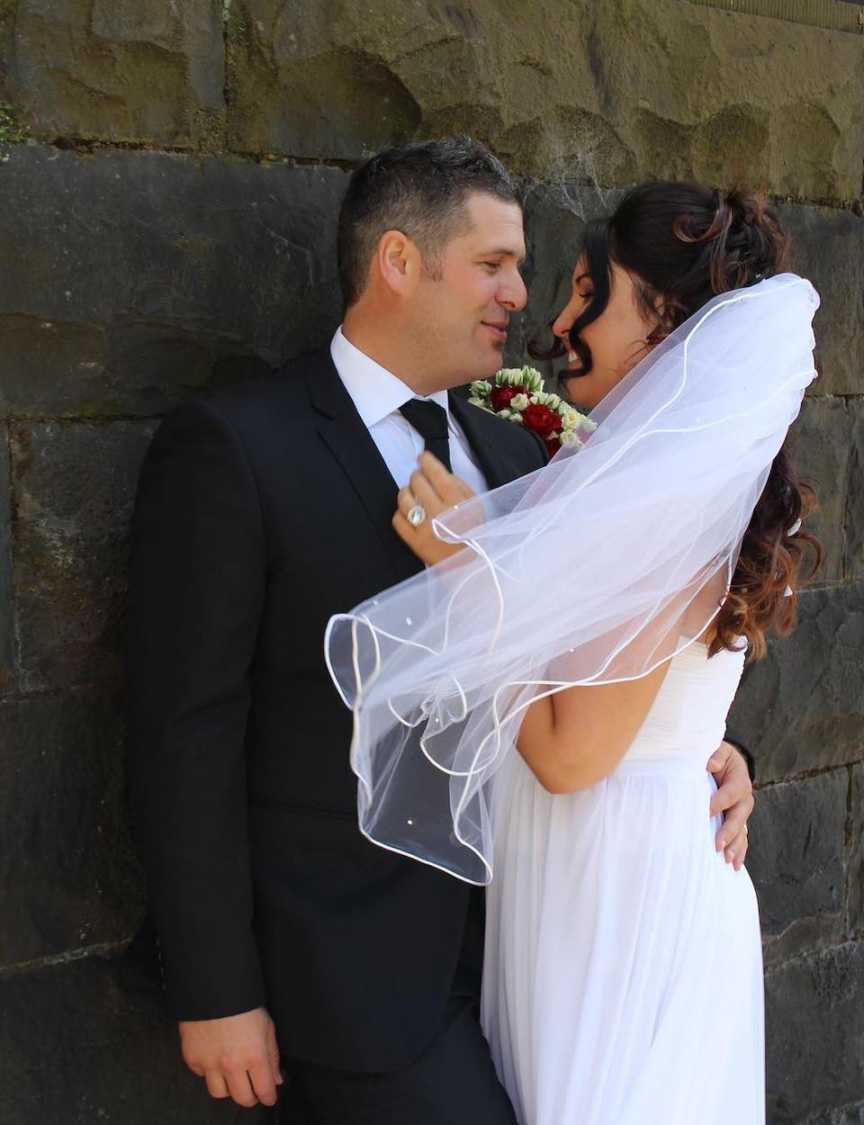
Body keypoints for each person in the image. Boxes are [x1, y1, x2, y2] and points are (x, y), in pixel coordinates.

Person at [127, 143, 754, 1124]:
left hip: (533, 957)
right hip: (343, 981)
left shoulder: (515, 454)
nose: (519, 292)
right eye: (493, 263)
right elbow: (183, 733)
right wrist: (216, 989)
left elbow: (592, 663)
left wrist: (708, 753)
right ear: (398, 262)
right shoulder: (241, 449)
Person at [329, 183, 820, 1123]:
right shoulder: (631, 477)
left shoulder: (665, 509)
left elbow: (569, 754)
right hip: (588, 874)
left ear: (663, 316)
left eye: (590, 290)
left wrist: (468, 569)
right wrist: (725, 758)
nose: (555, 320)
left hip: (616, 893)